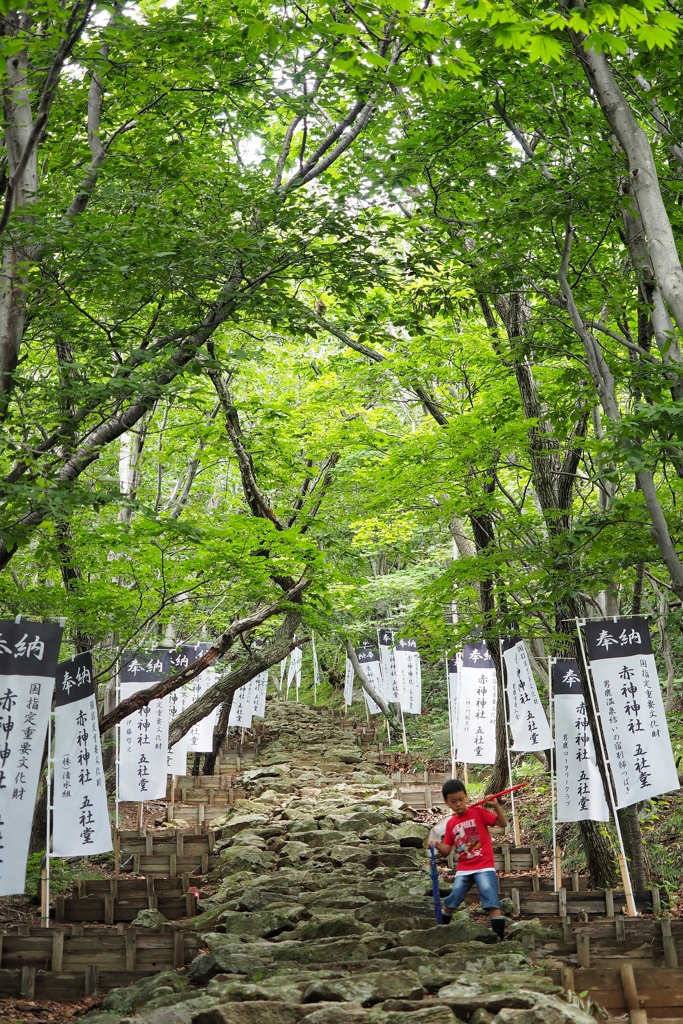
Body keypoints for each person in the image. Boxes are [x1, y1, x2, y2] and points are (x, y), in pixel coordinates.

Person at [429, 778, 508, 940]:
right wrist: (436, 844)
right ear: (447, 803)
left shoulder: (478, 812)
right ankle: (441, 932)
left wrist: (495, 805)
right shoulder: (451, 824)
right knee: (454, 897)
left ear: (466, 796)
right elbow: (446, 851)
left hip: (484, 866)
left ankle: (499, 937)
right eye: (453, 801)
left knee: (490, 897)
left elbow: (503, 823)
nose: (458, 804)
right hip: (464, 869)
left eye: (461, 799)